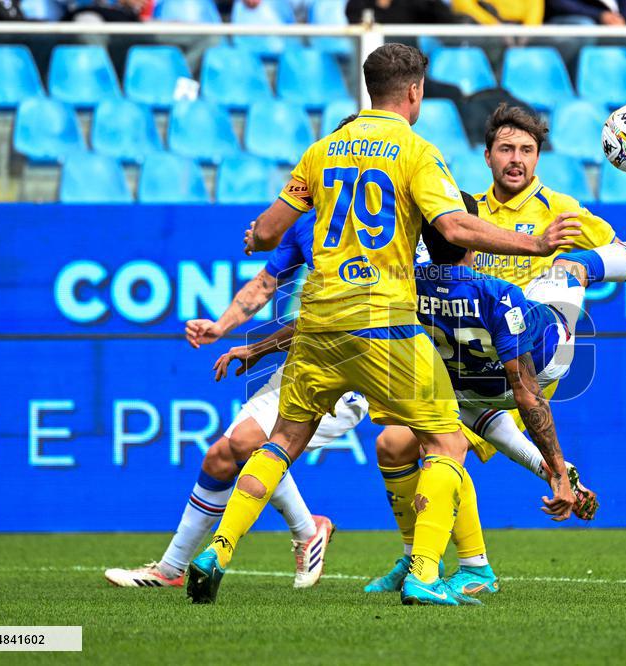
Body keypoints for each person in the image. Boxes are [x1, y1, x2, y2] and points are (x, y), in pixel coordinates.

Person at [185, 42, 583, 607]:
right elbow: (457, 229)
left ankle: (217, 551)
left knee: (281, 442)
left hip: (320, 321)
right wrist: (535, 242)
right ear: (416, 91)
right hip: (384, 323)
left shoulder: (322, 150)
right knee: (445, 438)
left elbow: (269, 234)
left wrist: (258, 241)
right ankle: (425, 571)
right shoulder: (417, 151)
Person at [365, 104, 626, 596]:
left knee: (446, 447)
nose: (516, 159)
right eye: (506, 149)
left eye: (527, 150)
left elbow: (619, 258)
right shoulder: (463, 216)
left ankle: (448, 563)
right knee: (393, 444)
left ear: (539, 157)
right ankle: (446, 556)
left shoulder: (562, 211)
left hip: (531, 353)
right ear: (487, 156)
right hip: (477, 358)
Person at [103, 209, 367, 590]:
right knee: (221, 456)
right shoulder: (306, 225)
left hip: (350, 374)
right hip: (303, 365)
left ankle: (314, 532)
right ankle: (170, 569)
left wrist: (257, 348)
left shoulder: (375, 232)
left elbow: (341, 319)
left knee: (247, 442)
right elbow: (263, 284)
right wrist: (219, 327)